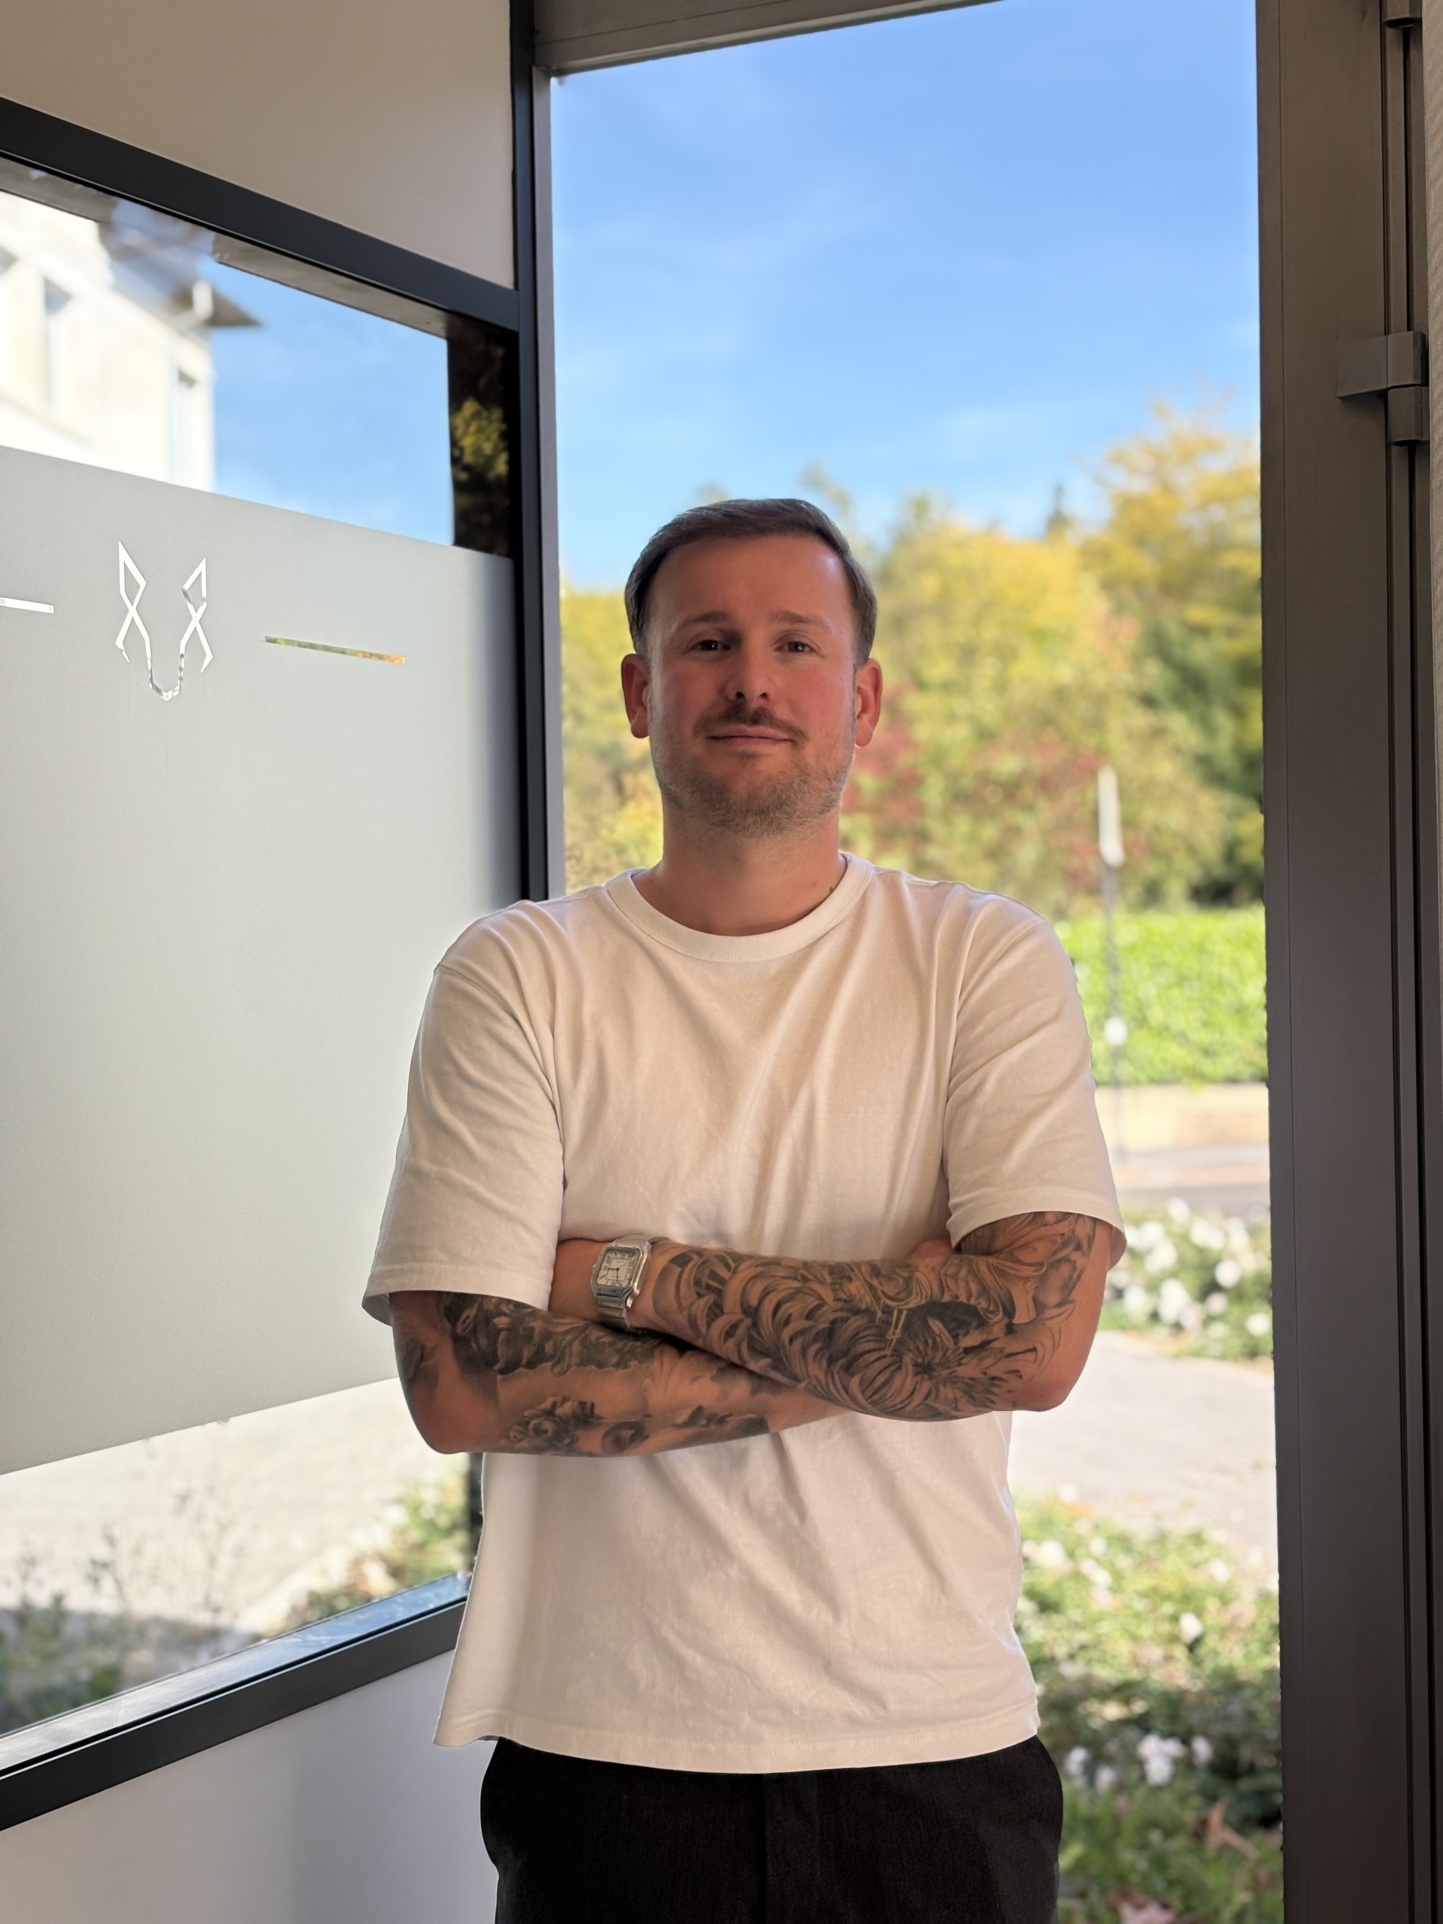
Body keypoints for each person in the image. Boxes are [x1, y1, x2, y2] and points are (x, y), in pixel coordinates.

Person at [365, 497, 1124, 1923]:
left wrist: (625, 1275)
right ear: (641, 693)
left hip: (931, 1746)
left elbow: (1030, 1342)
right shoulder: (519, 974)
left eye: (795, 644)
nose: (751, 681)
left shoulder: (982, 961)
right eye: (707, 643)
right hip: (608, 1754)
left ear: (864, 699)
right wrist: (890, 1347)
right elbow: (460, 1380)